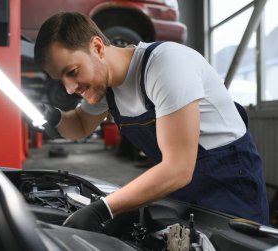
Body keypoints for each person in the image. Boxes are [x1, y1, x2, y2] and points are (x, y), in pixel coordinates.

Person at [34, 12, 269, 230]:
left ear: (97, 47)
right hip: (179, 188)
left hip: (229, 183)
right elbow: (81, 124)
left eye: (73, 71)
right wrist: (51, 115)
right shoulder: (106, 85)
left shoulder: (165, 65)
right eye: (61, 79)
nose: (70, 88)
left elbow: (178, 168)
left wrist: (104, 208)